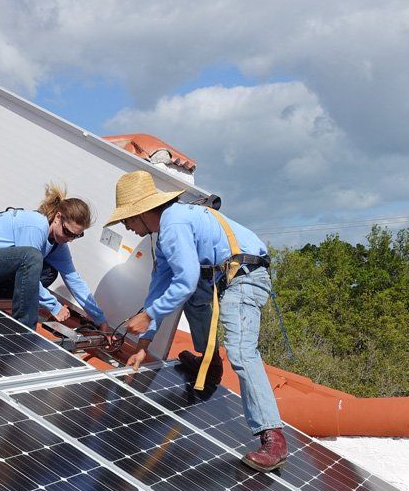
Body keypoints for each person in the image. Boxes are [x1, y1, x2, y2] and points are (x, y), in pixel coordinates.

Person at [107, 170, 289, 472]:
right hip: (221, 275)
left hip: (247, 275)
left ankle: (273, 437)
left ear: (141, 212)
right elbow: (160, 288)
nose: (126, 226)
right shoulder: (165, 236)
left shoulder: (173, 225)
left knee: (241, 351)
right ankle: (210, 363)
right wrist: (143, 345)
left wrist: (148, 315)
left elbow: (185, 281)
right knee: (191, 296)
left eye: (127, 219)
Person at [0, 184, 113, 332]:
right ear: (58, 217)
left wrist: (100, 319)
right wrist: (54, 306)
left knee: (49, 272)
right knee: (32, 258)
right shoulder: (36, 226)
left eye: (76, 236)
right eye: (68, 232)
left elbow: (73, 279)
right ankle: (24, 331)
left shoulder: (58, 244)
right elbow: (28, 266)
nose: (69, 239)